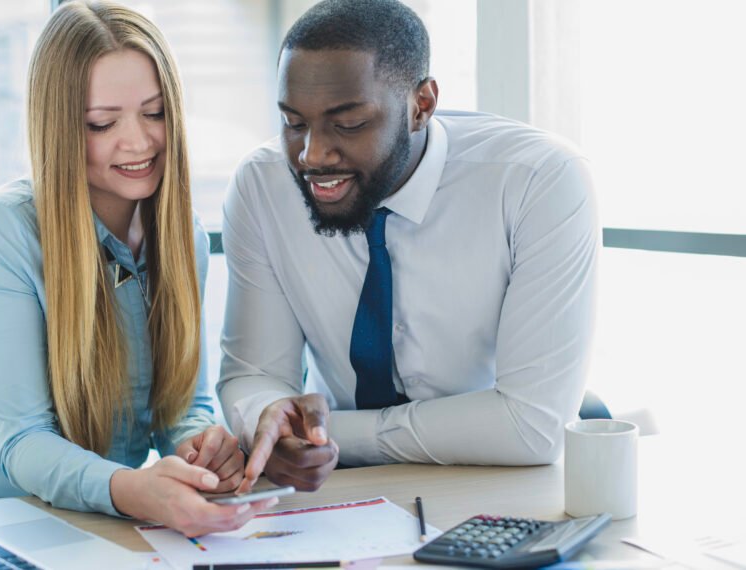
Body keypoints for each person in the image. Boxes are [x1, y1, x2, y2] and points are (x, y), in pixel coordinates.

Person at [0, 1, 275, 537]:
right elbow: (24, 441)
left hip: (97, 517)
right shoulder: (5, 229)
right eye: (102, 123)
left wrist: (201, 446)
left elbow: (181, 405)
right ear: (60, 127)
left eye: (155, 113)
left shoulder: (183, 234)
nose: (138, 142)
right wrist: (137, 491)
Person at [218, 0, 598, 493]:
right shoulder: (262, 185)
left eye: (347, 124)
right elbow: (253, 373)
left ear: (422, 105)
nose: (312, 153)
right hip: (346, 487)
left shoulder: (538, 180)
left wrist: (329, 433)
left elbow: (531, 427)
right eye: (293, 123)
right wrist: (268, 416)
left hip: (509, 477)